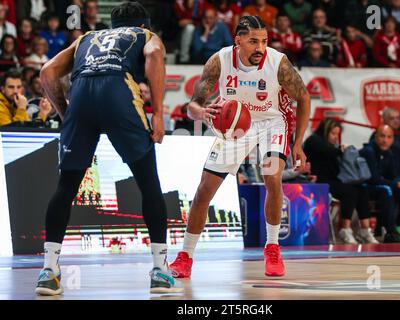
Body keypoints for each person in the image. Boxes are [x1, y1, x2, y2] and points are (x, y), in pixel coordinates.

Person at [35, 2, 183, 295]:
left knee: (66, 187)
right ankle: (160, 271)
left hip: (81, 96)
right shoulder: (146, 36)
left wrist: (67, 115)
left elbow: (47, 71)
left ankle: (49, 270)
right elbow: (154, 56)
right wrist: (156, 113)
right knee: (149, 184)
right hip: (118, 93)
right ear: (145, 24)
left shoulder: (85, 38)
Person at [170, 15, 311, 278]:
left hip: (273, 122)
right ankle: (185, 256)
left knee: (272, 177)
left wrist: (298, 142)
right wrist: (201, 113)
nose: (260, 47)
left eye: (264, 41)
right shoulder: (220, 60)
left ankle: (272, 247)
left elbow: (303, 97)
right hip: (235, 125)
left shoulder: (277, 62)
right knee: (204, 190)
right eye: (253, 41)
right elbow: (192, 105)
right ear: (238, 41)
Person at [303, 118, 378, 244]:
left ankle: (365, 229)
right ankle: (345, 229)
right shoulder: (314, 141)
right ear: (325, 131)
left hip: (334, 180)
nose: (335, 137)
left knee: (362, 188)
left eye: (337, 134)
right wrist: (341, 150)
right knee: (349, 191)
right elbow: (327, 151)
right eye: (333, 134)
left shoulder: (332, 146)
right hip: (319, 181)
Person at [360, 125, 400, 243]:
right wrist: (397, 184)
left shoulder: (390, 152)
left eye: (389, 137)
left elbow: (395, 174)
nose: (385, 140)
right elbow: (374, 178)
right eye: (382, 136)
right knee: (387, 190)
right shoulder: (369, 151)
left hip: (382, 185)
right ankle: (391, 232)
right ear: (375, 137)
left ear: (393, 139)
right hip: (366, 187)